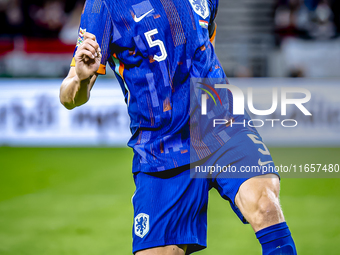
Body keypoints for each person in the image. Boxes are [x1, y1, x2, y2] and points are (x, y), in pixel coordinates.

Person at [60, 0, 297, 254]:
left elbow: (208, 30)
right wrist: (82, 80)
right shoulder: (104, 5)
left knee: (265, 205)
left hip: (218, 120)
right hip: (160, 145)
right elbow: (69, 97)